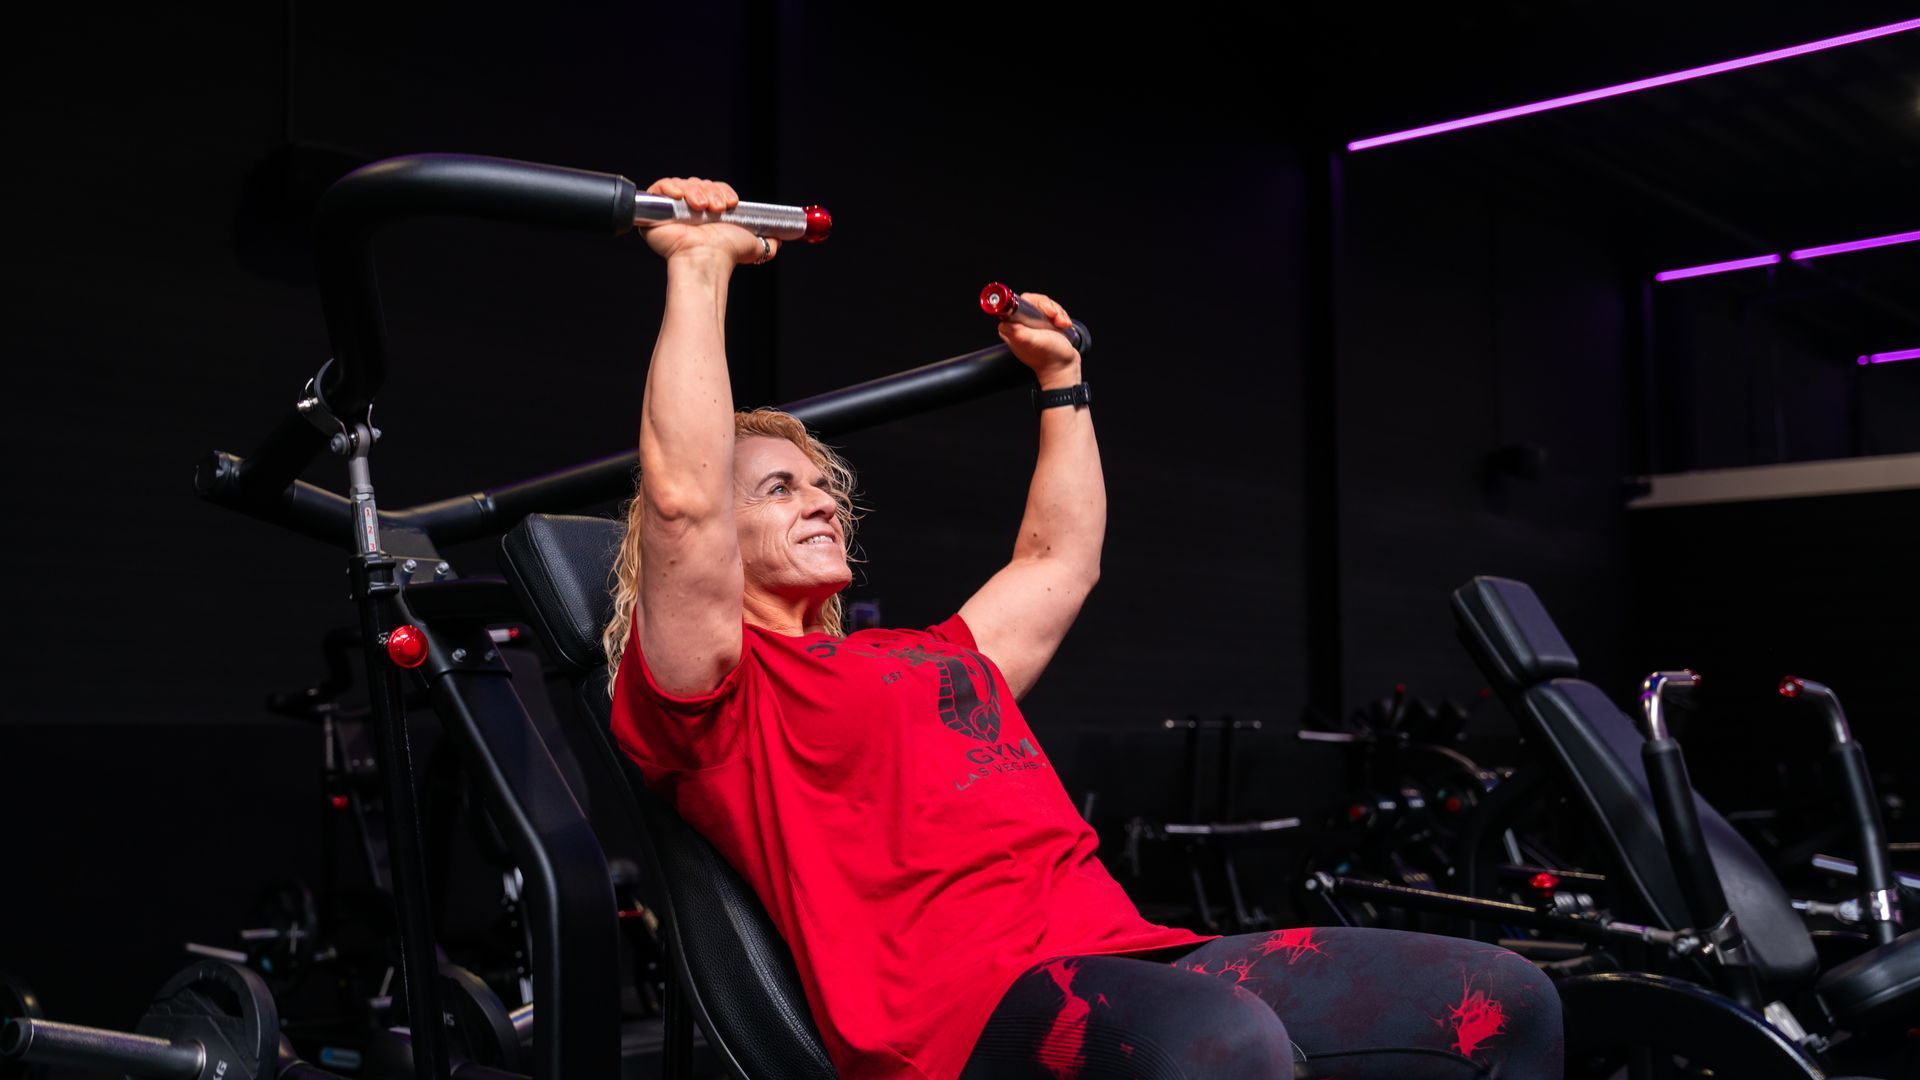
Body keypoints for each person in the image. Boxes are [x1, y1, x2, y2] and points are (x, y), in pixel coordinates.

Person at [605, 176, 1562, 1079]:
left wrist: (1062, 382)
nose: (820, 504)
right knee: (1222, 1048)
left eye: (822, 486)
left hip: (1132, 960)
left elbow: (1059, 562)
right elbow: (684, 501)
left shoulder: (927, 655)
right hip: (966, 1015)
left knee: (1507, 999)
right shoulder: (719, 695)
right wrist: (701, 263)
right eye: (779, 489)